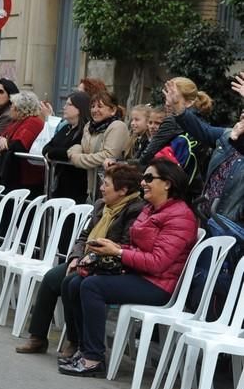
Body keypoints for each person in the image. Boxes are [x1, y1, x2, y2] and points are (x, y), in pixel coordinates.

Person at [58, 159, 199, 376]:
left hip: (158, 285)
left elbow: (158, 262)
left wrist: (118, 252)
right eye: (144, 178)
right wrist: (115, 247)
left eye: (150, 178)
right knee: (75, 281)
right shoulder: (151, 209)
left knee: (92, 286)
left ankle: (93, 359)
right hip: (139, 274)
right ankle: (81, 347)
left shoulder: (181, 216)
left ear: (168, 184)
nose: (143, 183)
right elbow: (136, 247)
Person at [15, 164, 145, 354]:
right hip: (85, 258)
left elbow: (123, 245)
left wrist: (90, 259)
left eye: (106, 184)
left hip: (107, 264)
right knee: (51, 279)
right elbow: (83, 236)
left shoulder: (135, 210)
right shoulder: (102, 205)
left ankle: (75, 341)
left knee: (71, 282)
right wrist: (76, 257)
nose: (101, 188)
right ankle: (38, 337)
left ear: (123, 190)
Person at [168, 77, 244, 222]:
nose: (243, 115)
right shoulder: (226, 136)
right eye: (242, 113)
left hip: (233, 224)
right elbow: (201, 129)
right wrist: (178, 107)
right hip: (206, 216)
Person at [67, 91, 129, 199]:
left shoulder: (117, 126)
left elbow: (108, 155)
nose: (95, 110)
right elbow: (83, 147)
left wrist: (77, 159)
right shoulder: (89, 126)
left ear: (113, 110)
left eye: (100, 106)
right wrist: (75, 150)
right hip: (91, 187)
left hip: (112, 189)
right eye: (93, 106)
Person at [42, 91, 91, 202]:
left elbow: (70, 152)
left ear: (79, 108)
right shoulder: (66, 128)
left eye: (69, 104)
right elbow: (46, 148)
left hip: (76, 184)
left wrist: (52, 153)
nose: (64, 107)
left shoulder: (86, 130)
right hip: (60, 182)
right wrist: (53, 152)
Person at [0, 91, 45, 194]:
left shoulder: (33, 122)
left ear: (20, 109)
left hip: (26, 177)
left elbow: (19, 145)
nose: (11, 108)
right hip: (14, 174)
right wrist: (2, 140)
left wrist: (6, 143)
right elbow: (2, 136)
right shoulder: (16, 121)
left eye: (13, 105)